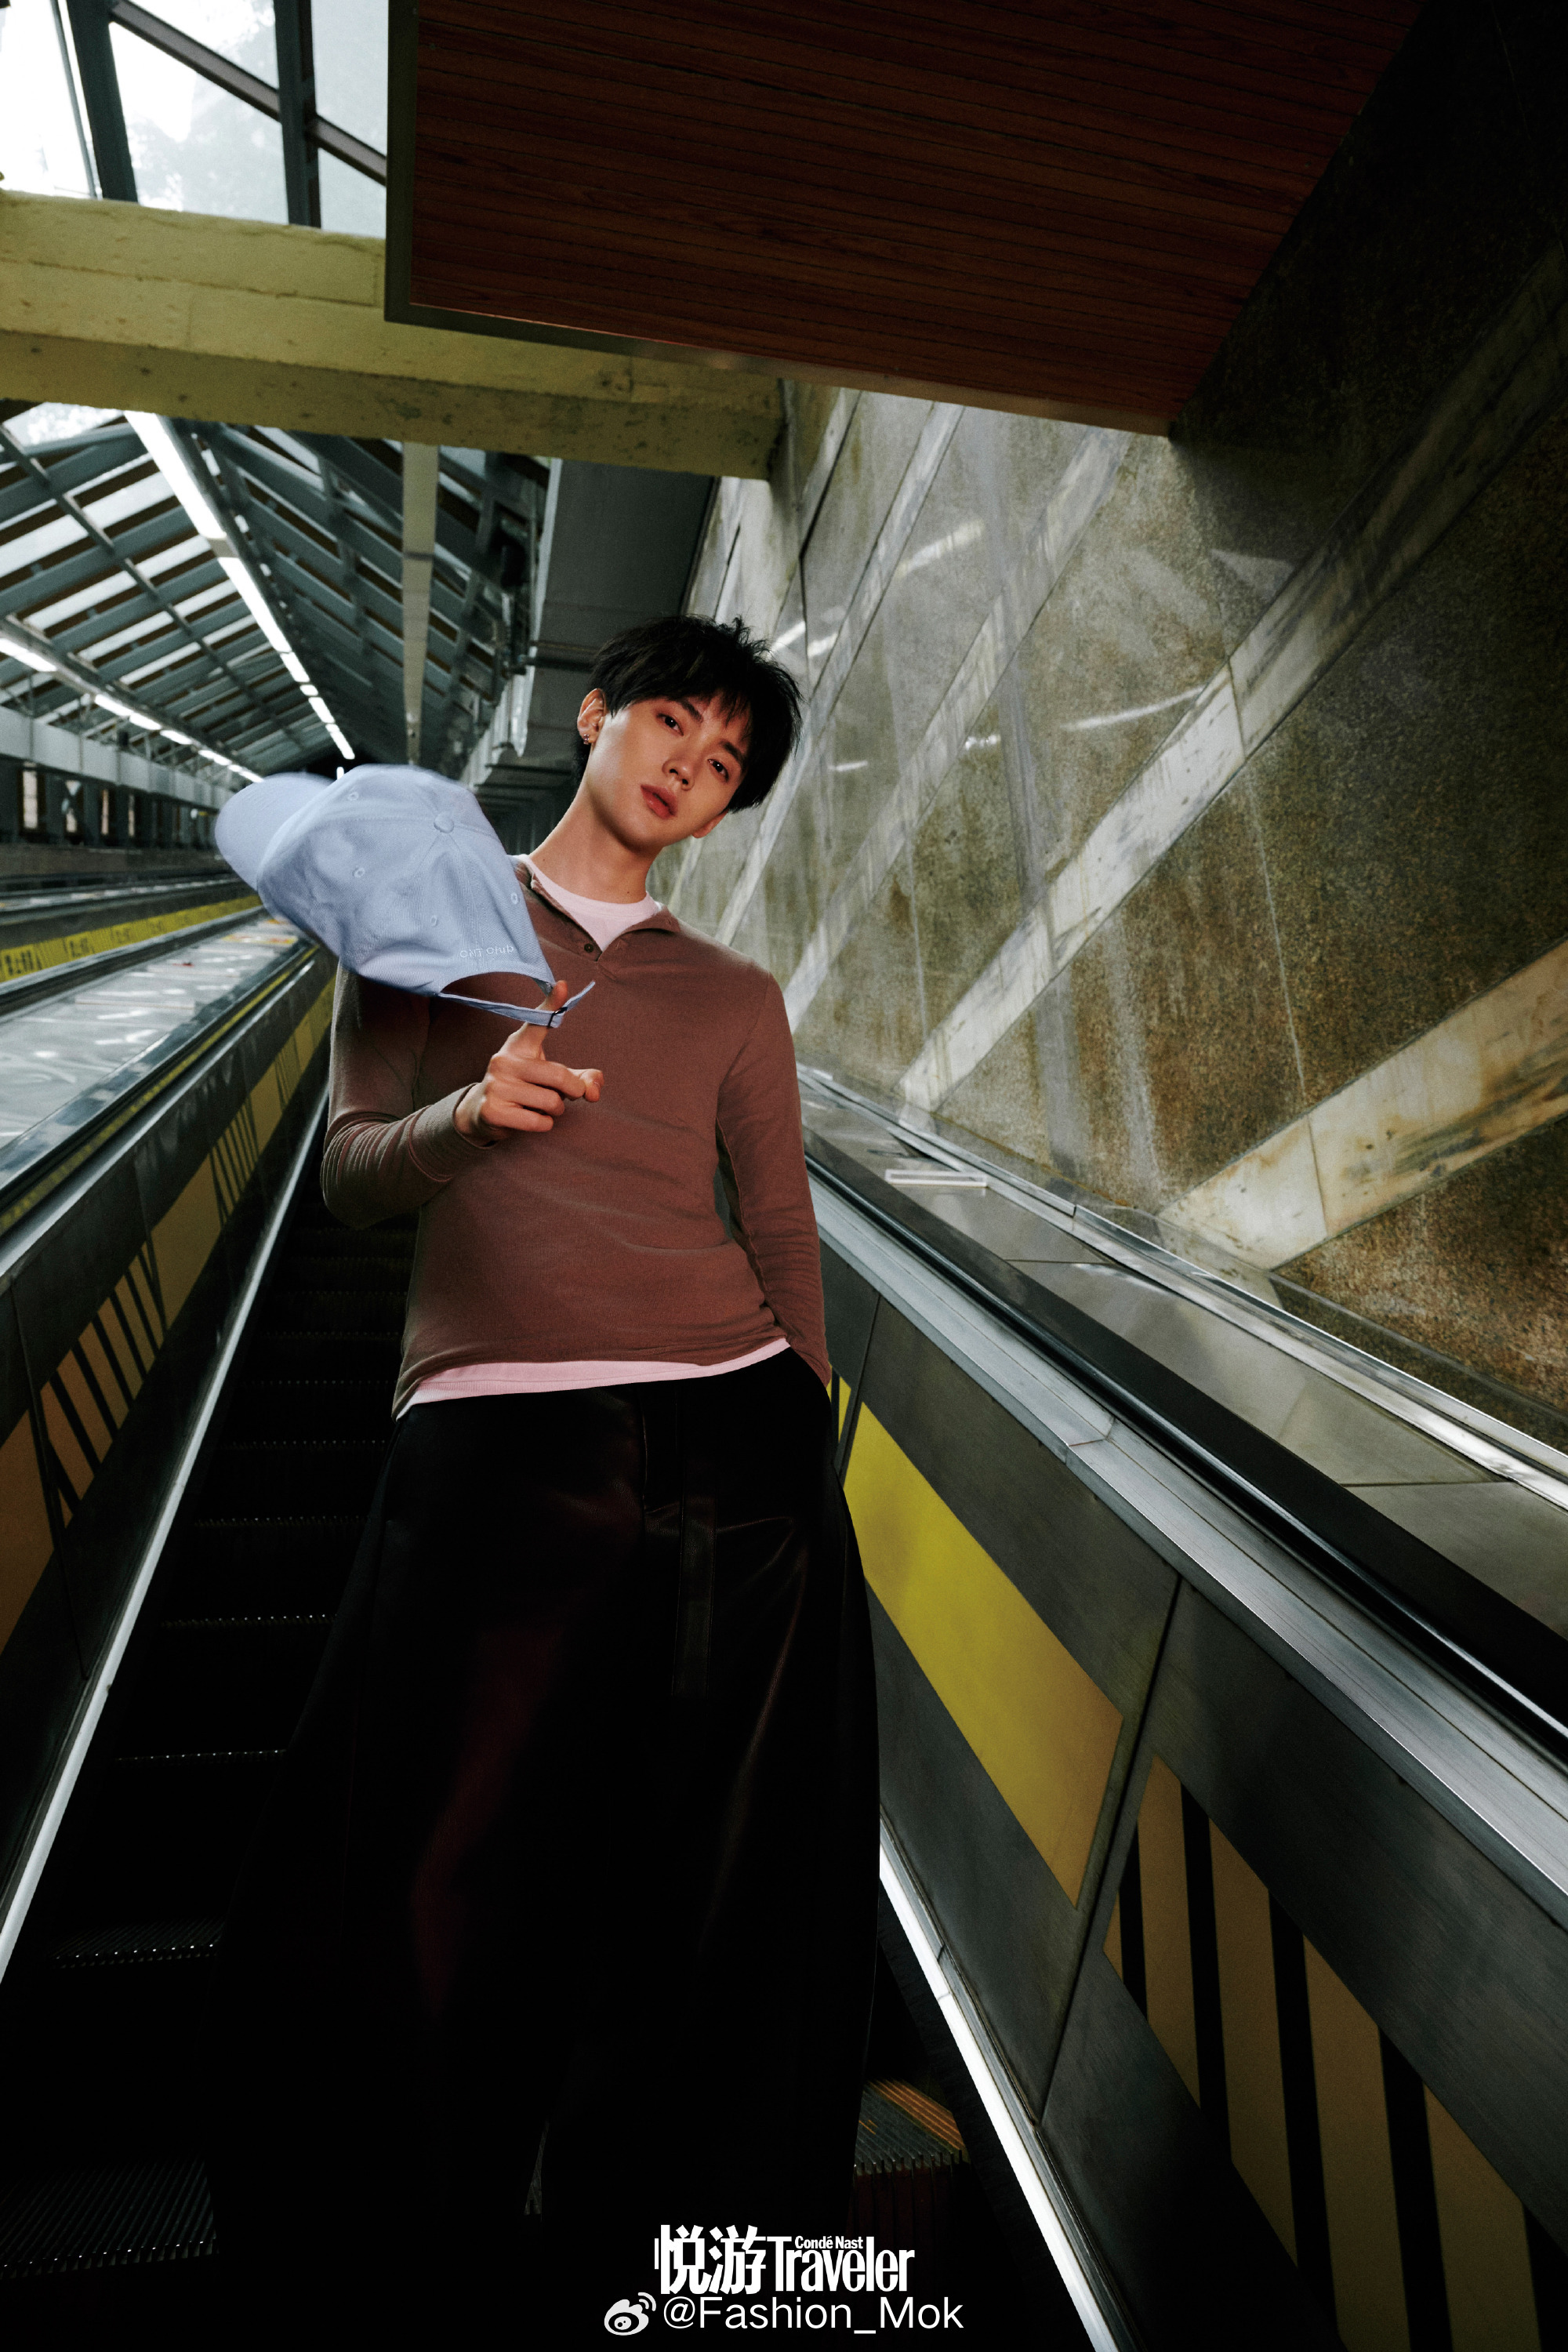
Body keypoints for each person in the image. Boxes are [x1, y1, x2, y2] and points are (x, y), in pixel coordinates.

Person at [205, 615, 879, 2331]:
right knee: (437, 1869)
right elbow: (350, 1170)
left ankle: (672, 2288)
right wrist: (467, 1119)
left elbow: (780, 1225)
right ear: (595, 717)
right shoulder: (422, 916)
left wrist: (803, 1424)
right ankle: (399, 2269)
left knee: (722, 1887)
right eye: (672, 725)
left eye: (724, 765)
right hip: (501, 1433)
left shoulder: (733, 997)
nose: (687, 770)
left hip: (736, 1439)